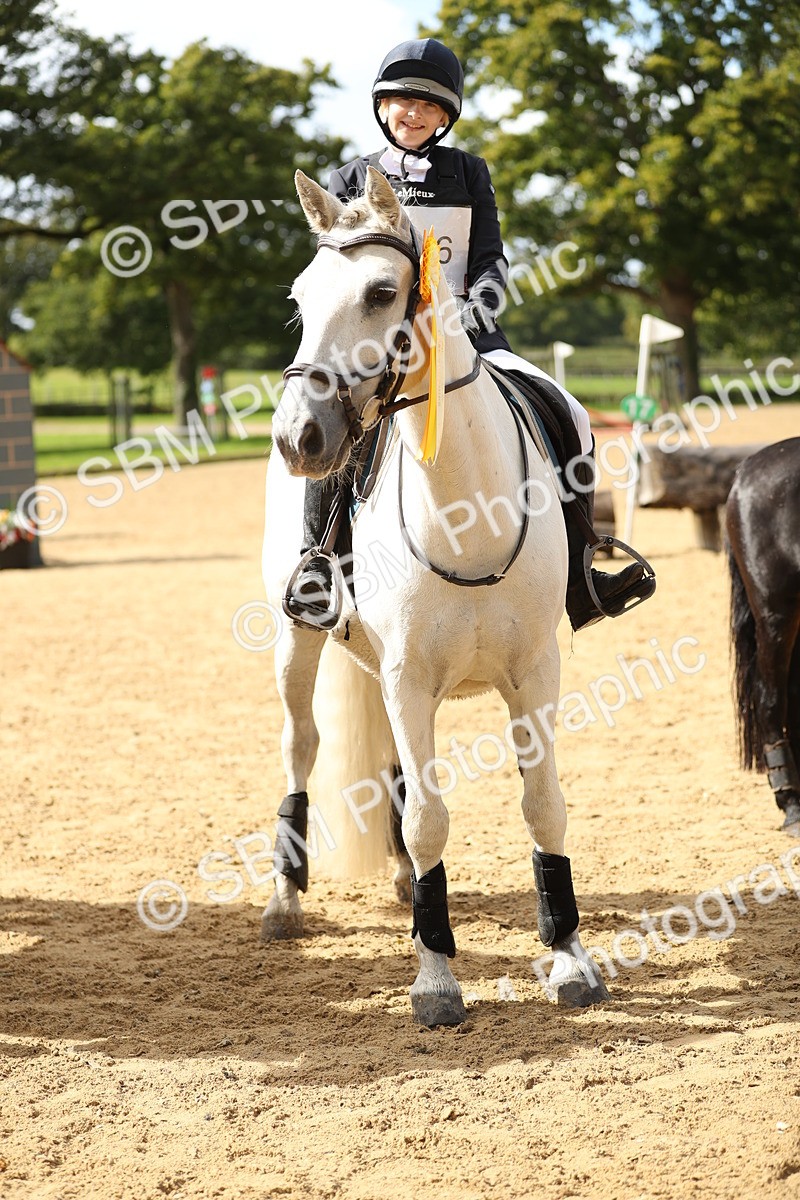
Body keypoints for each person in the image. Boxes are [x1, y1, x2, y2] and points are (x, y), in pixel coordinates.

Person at [286, 38, 654, 632]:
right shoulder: (351, 176)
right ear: (383, 108)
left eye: (427, 107)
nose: (413, 114)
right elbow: (340, 272)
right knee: (340, 427)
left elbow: (490, 260)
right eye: (402, 102)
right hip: (380, 347)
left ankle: (582, 571)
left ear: (444, 117)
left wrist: (471, 314)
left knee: (573, 414)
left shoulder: (468, 171)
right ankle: (319, 565)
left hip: (468, 337)